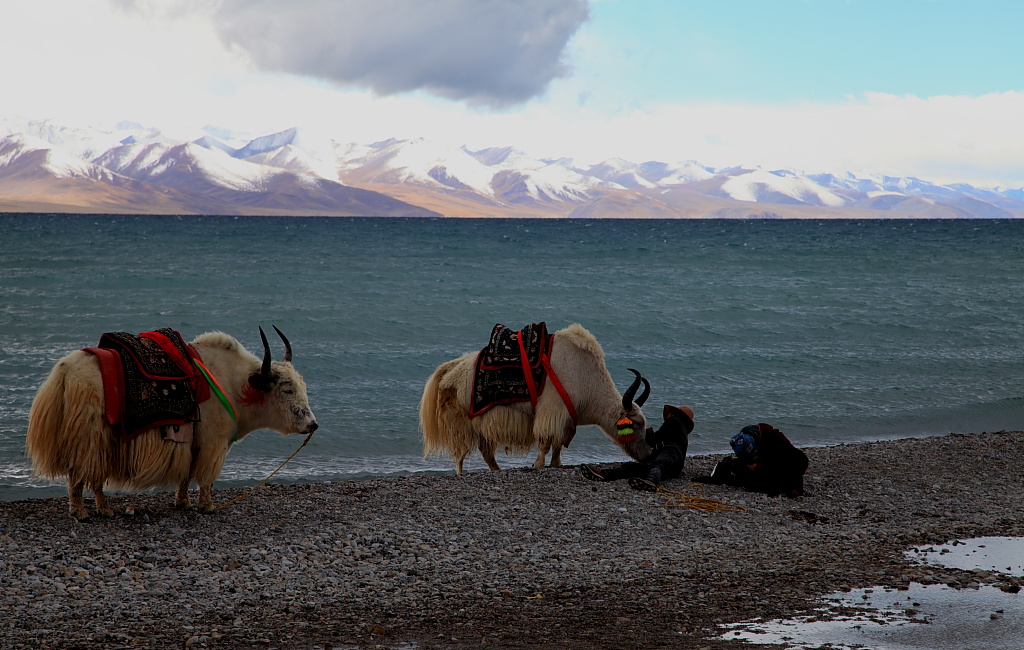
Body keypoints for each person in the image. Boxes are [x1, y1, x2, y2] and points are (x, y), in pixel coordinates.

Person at [581, 405, 694, 491]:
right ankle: (604, 474)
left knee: (656, 465)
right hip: (675, 467)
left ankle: (651, 481)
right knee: (637, 468)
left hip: (670, 455)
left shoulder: (673, 421)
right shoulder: (680, 432)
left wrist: (648, 431)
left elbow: (652, 441)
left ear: (673, 414)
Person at [696, 423, 808, 497]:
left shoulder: (777, 441)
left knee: (763, 484)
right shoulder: (742, 438)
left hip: (782, 465)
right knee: (742, 472)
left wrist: (761, 464)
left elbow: (798, 461)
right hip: (761, 463)